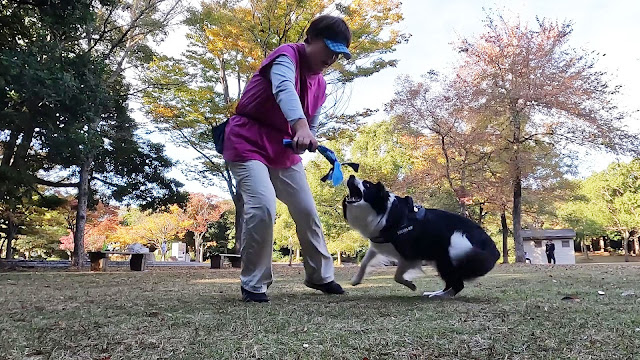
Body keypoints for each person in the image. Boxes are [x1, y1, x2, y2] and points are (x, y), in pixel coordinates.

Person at [222, 15, 352, 302]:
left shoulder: (321, 83)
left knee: (307, 210)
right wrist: (300, 126)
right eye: (328, 48)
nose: (332, 58)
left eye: (338, 53)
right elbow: (284, 90)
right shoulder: (286, 56)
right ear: (311, 38)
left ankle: (320, 275)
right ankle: (254, 283)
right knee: (262, 206)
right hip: (247, 141)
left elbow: (313, 119)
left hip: (283, 150)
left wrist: (308, 137)